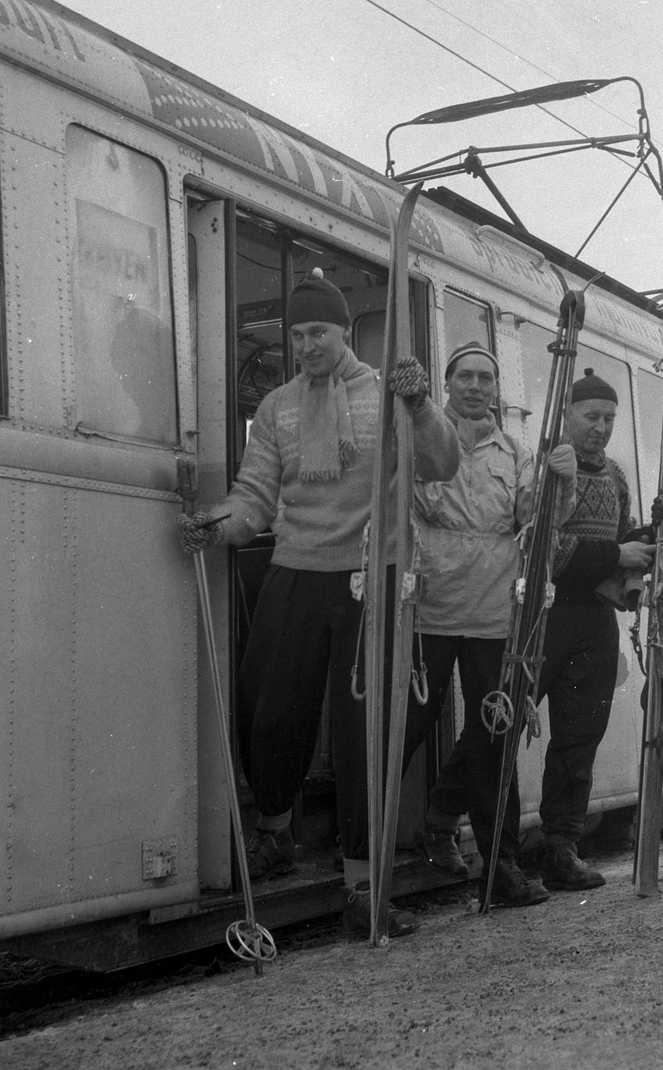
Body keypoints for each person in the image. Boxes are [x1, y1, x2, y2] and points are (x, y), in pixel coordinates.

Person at [177, 271, 459, 937]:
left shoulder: (388, 394)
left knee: (364, 733)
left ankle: (366, 891)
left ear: (343, 333)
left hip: (371, 575)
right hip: (296, 568)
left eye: (319, 332)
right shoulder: (276, 407)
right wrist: (217, 525)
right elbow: (255, 495)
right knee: (269, 711)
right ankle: (275, 834)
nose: (307, 344)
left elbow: (442, 463)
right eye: (298, 333)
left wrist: (420, 406)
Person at [401, 342, 577, 908]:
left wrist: (564, 483)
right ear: (447, 385)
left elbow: (536, 517)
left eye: (485, 378)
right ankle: (367, 860)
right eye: (465, 377)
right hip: (428, 606)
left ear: (496, 390)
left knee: (494, 736)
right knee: (404, 727)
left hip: (494, 613)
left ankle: (498, 865)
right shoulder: (420, 438)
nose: (475, 386)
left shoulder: (517, 452)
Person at [533, 367, 655, 892]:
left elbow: (622, 538)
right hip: (543, 614)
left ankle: (562, 849)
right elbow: (547, 550)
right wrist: (616, 553)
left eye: (609, 418)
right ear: (567, 416)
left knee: (579, 738)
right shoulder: (547, 469)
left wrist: (641, 550)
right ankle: (454, 832)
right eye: (591, 416)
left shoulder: (617, 476)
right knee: (502, 723)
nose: (601, 427)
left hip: (594, 620)